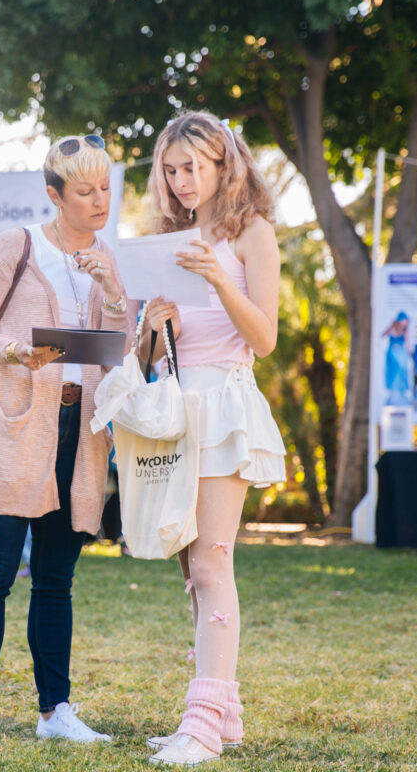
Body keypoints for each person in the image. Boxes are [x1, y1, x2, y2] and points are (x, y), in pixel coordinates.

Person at [0, 133, 129, 747]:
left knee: (56, 581)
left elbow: (120, 349)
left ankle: (56, 712)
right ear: (55, 195)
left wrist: (112, 291)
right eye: (85, 191)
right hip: (17, 425)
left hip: (80, 435)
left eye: (105, 188)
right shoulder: (18, 245)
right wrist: (12, 350)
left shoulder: (109, 257)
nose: (99, 200)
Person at [138, 112, 286, 766]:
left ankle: (201, 727)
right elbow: (149, 353)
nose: (180, 181)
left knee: (211, 563)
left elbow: (264, 339)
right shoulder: (165, 239)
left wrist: (220, 278)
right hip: (174, 411)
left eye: (192, 167)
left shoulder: (252, 232)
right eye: (170, 171)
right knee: (190, 573)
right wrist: (151, 322)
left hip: (224, 405)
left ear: (225, 162)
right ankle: (221, 717)